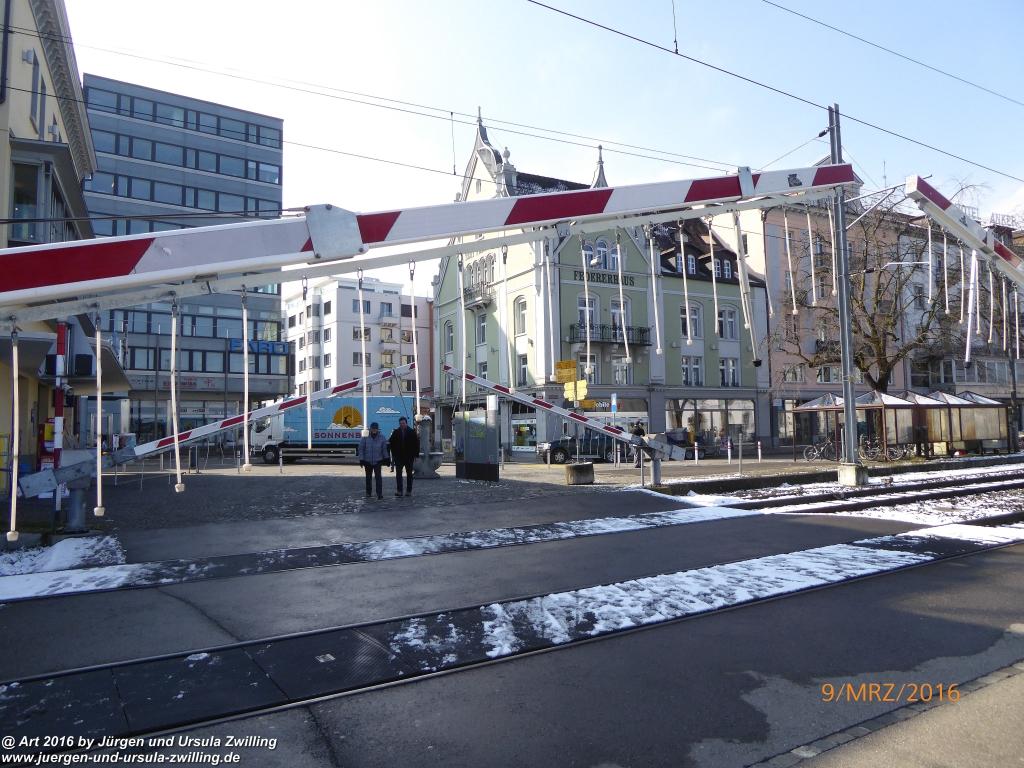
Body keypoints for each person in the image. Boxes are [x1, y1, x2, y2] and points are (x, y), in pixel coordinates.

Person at [357, 422, 390, 500]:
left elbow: (384, 450)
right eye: (373, 428)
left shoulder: (382, 437)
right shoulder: (365, 437)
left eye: (375, 428)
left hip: (378, 461)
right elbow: (361, 449)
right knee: (368, 478)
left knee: (378, 478)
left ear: (377, 429)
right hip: (367, 461)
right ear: (370, 429)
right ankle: (368, 493)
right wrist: (361, 459)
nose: (374, 430)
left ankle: (379, 493)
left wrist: (387, 458)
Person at [388, 416, 419, 497]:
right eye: (401, 423)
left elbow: (416, 444)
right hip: (399, 457)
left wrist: (416, 455)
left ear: (406, 423)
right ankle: (399, 491)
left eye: (403, 423)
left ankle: (409, 491)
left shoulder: (411, 431)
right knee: (398, 474)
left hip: (409, 457)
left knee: (409, 474)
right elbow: (391, 443)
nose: (402, 424)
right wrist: (394, 454)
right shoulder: (396, 432)